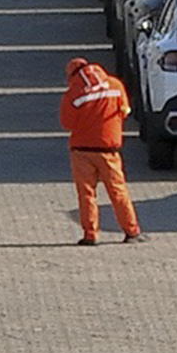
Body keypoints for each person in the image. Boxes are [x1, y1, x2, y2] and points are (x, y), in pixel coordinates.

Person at [63, 58, 141, 243]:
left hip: (81, 150)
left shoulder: (73, 94)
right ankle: (132, 232)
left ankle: (90, 235)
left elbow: (67, 123)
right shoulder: (115, 85)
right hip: (109, 150)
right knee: (118, 191)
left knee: (86, 193)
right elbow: (125, 111)